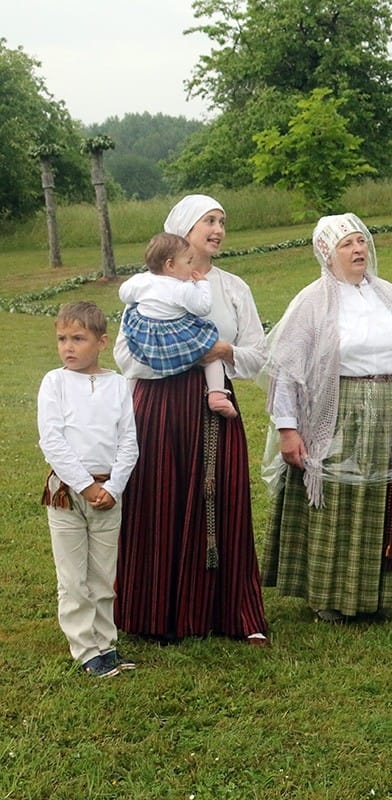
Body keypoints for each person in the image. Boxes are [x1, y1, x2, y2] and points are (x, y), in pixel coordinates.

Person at [114, 194, 270, 645]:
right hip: (158, 405)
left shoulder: (232, 287)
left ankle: (230, 612)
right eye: (209, 221)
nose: (218, 229)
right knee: (157, 502)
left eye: (223, 221)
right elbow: (127, 356)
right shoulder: (148, 286)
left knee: (220, 501)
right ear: (183, 229)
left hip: (213, 401)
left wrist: (224, 353)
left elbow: (256, 353)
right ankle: (155, 614)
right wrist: (190, 354)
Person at [262, 213, 392, 623]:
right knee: (337, 502)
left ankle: (376, 592)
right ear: (327, 253)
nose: (358, 250)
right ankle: (331, 596)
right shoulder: (312, 302)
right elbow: (287, 370)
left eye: (361, 242)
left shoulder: (389, 294)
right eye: (347, 245)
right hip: (337, 413)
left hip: (391, 408)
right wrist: (288, 429)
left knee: (381, 500)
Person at [38, 302, 139, 677]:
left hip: (109, 492)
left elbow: (129, 440)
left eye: (78, 339)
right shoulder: (55, 382)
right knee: (73, 576)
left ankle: (105, 644)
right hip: (67, 492)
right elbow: (52, 439)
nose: (68, 346)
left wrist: (112, 486)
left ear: (101, 341)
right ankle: (84, 649)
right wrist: (84, 486)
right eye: (62, 338)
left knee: (101, 575)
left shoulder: (118, 384)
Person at [118, 232, 237, 418]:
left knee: (137, 364)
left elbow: (124, 293)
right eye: (188, 262)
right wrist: (203, 285)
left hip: (146, 336)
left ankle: (127, 402)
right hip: (174, 336)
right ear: (170, 265)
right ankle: (217, 395)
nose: (192, 267)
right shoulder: (182, 288)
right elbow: (203, 307)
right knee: (210, 350)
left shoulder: (141, 281)